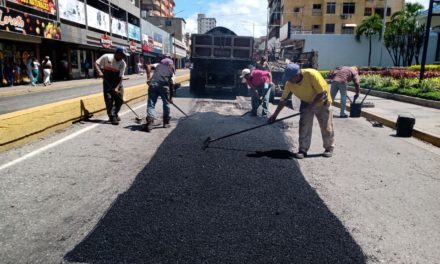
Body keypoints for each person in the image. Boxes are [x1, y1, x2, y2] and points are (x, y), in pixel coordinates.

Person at [268, 63, 334, 159]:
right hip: (306, 102)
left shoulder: (312, 74)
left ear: (297, 75)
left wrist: (311, 107)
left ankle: (329, 147)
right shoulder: (289, 83)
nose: (289, 80)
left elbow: (321, 93)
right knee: (304, 126)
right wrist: (274, 115)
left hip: (322, 102)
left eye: (290, 78)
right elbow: (283, 100)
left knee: (326, 126)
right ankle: (303, 149)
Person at [94, 47, 128, 125]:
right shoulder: (106, 57)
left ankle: (115, 113)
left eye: (124, 55)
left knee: (119, 100)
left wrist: (117, 87)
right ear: (117, 53)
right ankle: (112, 117)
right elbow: (96, 63)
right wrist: (99, 71)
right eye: (122, 55)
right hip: (107, 82)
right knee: (109, 100)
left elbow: (121, 77)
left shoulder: (123, 63)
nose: (123, 57)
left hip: (117, 82)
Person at [144, 57, 175, 132]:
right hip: (164, 87)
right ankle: (166, 122)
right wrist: (170, 98)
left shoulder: (158, 65)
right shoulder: (171, 70)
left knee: (151, 104)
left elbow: (148, 66)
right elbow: (172, 84)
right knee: (166, 104)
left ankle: (150, 123)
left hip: (153, 85)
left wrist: (148, 79)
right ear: (170, 64)